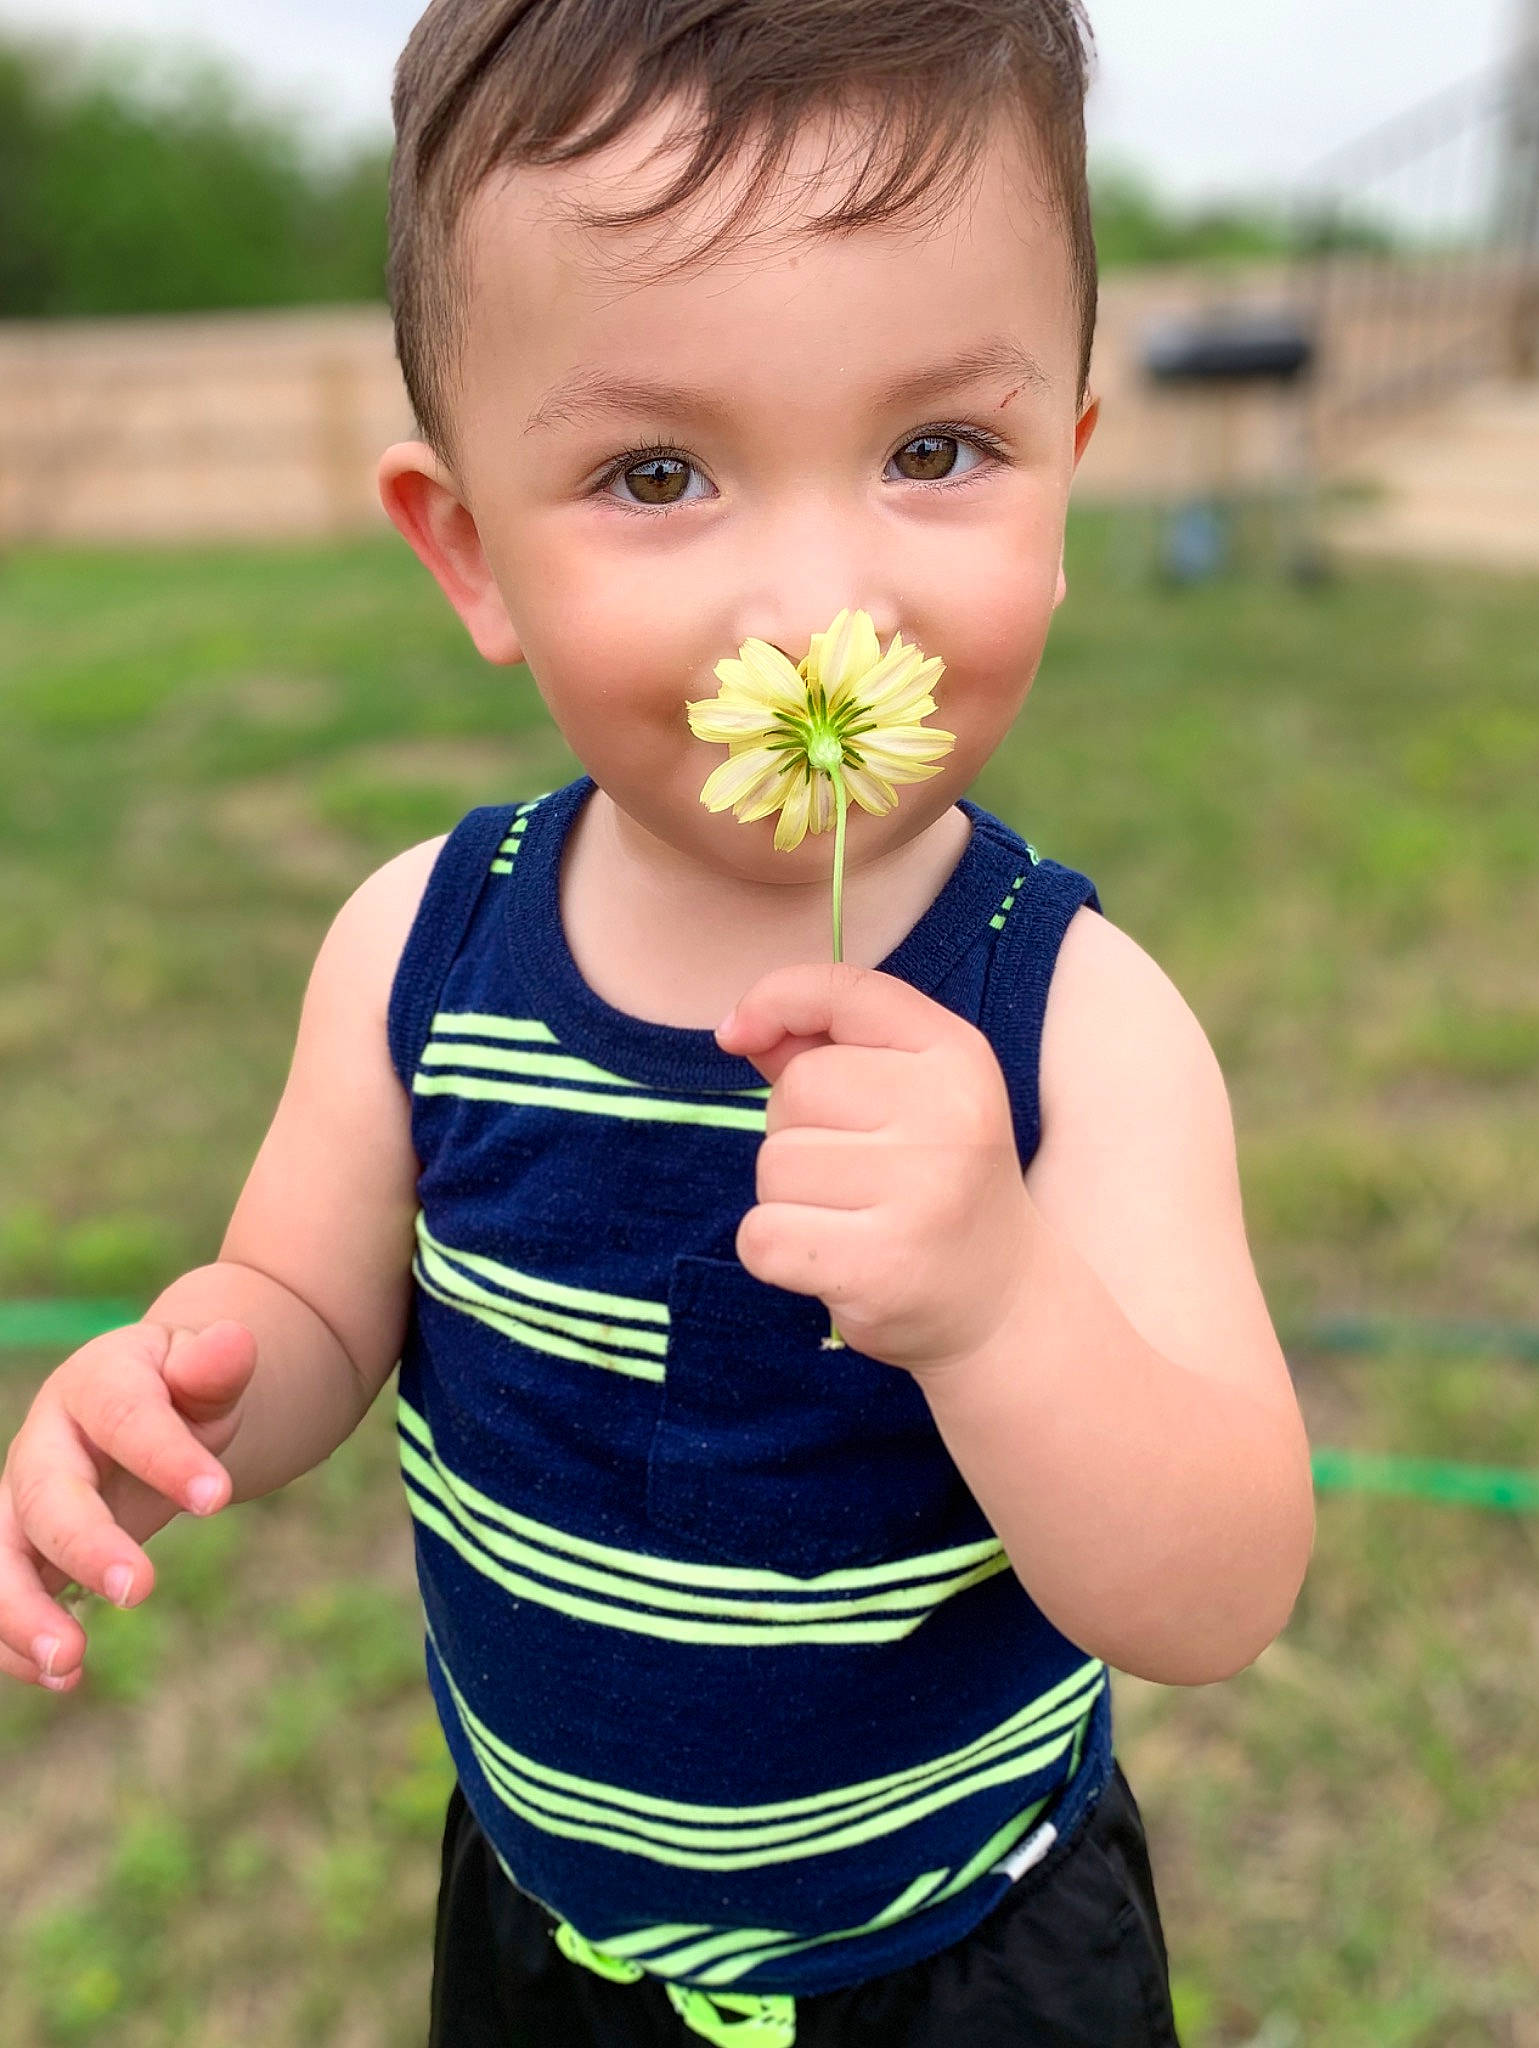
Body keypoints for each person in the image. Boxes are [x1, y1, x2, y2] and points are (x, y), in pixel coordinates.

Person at [0, 2, 1316, 2041]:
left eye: (933, 452)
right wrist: (182, 1394)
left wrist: (995, 1301)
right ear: (469, 550)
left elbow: (1219, 1589)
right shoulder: (420, 949)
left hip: (963, 1964)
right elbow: (318, 1311)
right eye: (657, 471)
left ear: (1064, 483)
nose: (811, 600)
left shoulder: (1078, 1023)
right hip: (549, 1942)